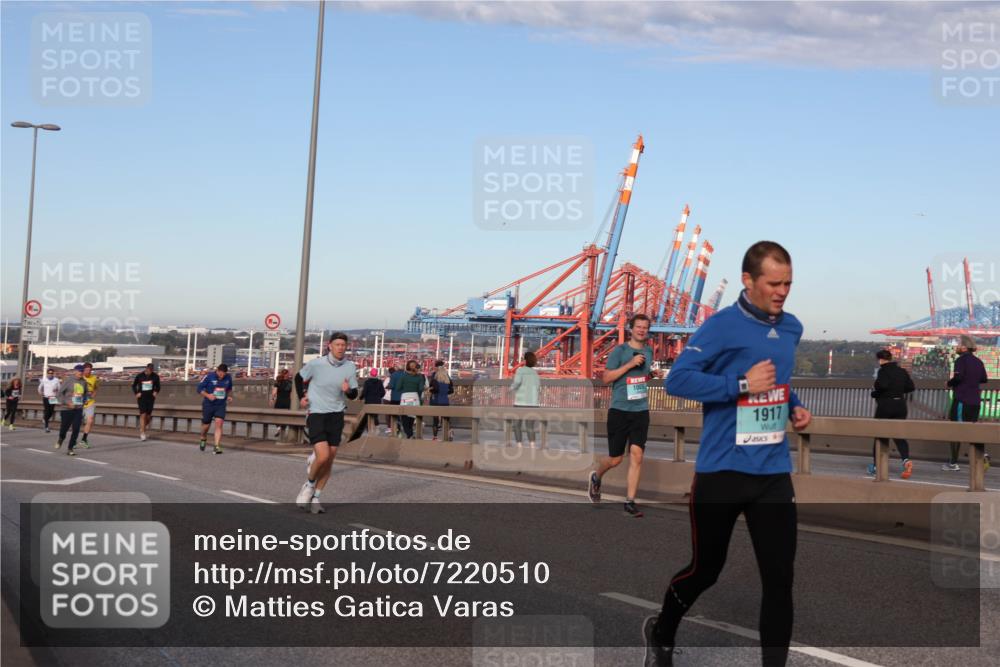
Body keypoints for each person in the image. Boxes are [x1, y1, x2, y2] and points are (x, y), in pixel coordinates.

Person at [644, 241, 812, 667]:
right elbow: (677, 381)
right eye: (774, 283)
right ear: (748, 280)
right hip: (722, 471)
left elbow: (777, 380)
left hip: (773, 472)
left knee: (780, 581)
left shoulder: (792, 327)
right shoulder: (720, 326)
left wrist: (792, 407)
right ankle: (661, 630)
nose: (782, 291)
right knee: (706, 570)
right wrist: (740, 385)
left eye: (788, 283)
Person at [588, 313, 659, 518]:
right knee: (615, 459)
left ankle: (630, 502)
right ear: (631, 328)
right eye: (638, 327)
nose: (642, 330)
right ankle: (597, 477)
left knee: (637, 456)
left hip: (640, 410)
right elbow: (607, 377)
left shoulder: (648, 351)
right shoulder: (619, 351)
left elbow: (641, 377)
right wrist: (629, 364)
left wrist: (650, 376)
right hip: (619, 410)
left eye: (645, 328)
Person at [294, 333, 359, 514]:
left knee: (329, 460)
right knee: (322, 456)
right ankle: (309, 485)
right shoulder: (316, 364)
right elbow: (298, 378)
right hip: (316, 412)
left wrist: (348, 391)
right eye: (337, 344)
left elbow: (354, 394)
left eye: (343, 345)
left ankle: (316, 497)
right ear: (330, 346)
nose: (340, 347)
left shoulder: (350, 367)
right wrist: (302, 397)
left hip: (336, 414)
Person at [867, 349, 916, 478]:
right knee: (899, 435)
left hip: (886, 406)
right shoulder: (902, 371)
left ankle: (877, 466)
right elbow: (911, 387)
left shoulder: (883, 371)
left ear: (880, 360)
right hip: (900, 405)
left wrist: (875, 393)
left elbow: (882, 386)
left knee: (880, 436)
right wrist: (898, 390)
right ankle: (906, 460)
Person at [943, 335, 989, 471]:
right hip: (975, 401)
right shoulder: (978, 361)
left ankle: (953, 463)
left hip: (962, 399)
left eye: (957, 344)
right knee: (972, 430)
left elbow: (958, 377)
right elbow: (984, 379)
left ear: (964, 347)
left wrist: (949, 383)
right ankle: (982, 455)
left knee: (955, 431)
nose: (956, 346)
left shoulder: (961, 360)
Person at [197, 364, 233, 454]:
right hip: (209, 404)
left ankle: (217, 446)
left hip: (220, 404)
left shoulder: (228, 378)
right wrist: (208, 395)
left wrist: (228, 396)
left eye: (224, 374)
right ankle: (203, 437)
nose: (222, 375)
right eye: (220, 373)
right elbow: (199, 389)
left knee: (219, 423)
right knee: (206, 425)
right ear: (217, 371)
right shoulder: (209, 376)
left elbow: (229, 389)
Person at [55, 364, 90, 456]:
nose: (81, 373)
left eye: (82, 371)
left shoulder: (84, 382)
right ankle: (61, 438)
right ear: (75, 371)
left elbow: (86, 393)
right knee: (64, 429)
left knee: (76, 429)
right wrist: (67, 403)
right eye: (79, 371)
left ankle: (70, 448)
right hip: (66, 409)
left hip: (78, 409)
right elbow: (59, 394)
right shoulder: (68, 380)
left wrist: (85, 400)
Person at [511, 351, 540, 446]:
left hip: (520, 403)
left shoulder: (520, 370)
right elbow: (538, 387)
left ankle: (519, 445)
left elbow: (517, 382)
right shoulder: (535, 373)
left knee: (516, 425)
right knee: (530, 426)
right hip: (533, 403)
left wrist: (511, 389)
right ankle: (532, 446)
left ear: (524, 360)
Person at [131, 363, 161, 442]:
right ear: (146, 369)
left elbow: (158, 386)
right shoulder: (140, 376)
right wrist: (136, 393)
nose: (150, 372)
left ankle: (142, 427)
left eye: (151, 370)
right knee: (143, 414)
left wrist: (156, 392)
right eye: (148, 370)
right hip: (142, 398)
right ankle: (143, 433)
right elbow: (134, 385)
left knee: (148, 417)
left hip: (150, 398)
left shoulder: (155, 376)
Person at [397, 360, 426, 439]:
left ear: (407, 367)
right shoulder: (419, 376)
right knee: (412, 417)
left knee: (404, 417)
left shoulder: (403, 376)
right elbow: (421, 389)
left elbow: (398, 387)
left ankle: (409, 434)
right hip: (415, 397)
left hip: (405, 397)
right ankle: (410, 434)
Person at [429, 360, 453, 440]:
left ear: (436, 367)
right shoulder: (447, 377)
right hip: (445, 400)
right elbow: (451, 390)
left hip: (436, 400)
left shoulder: (434, 376)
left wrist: (431, 390)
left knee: (435, 420)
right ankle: (449, 432)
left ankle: (435, 437)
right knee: (446, 418)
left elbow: (433, 389)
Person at [79, 362, 100, 448]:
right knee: (76, 423)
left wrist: (93, 394)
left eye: (90, 370)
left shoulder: (94, 378)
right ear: (83, 370)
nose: (88, 372)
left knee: (90, 420)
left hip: (90, 402)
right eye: (87, 370)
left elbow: (96, 388)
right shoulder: (79, 377)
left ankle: (84, 440)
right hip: (79, 403)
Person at [360, 368, 386, 434]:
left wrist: (361, 398)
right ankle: (377, 428)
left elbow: (364, 392)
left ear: (370, 374)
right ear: (376, 374)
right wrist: (379, 397)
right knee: (375, 415)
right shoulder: (380, 382)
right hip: (377, 401)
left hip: (368, 401)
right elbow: (383, 392)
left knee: (368, 415)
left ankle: (369, 429)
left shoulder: (367, 382)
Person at [270, 368, 293, 440]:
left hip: (279, 401)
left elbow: (274, 393)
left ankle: (278, 428)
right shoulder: (290, 383)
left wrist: (272, 399)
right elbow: (291, 394)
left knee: (276, 415)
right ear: (287, 374)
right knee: (286, 416)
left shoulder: (278, 382)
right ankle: (284, 430)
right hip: (287, 402)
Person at [38, 367, 61, 433]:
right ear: (47, 374)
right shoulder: (44, 380)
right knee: (47, 411)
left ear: (53, 374)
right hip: (46, 397)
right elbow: (40, 387)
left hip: (53, 398)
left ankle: (44, 418)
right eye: (49, 373)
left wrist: (57, 390)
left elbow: (60, 389)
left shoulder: (56, 380)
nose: (50, 374)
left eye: (52, 373)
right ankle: (46, 427)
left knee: (51, 411)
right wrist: (40, 393)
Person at [388, 365, 405, 437]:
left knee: (394, 414)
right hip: (404, 397)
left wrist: (388, 386)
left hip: (395, 397)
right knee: (403, 414)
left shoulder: (394, 375)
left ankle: (397, 429)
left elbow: (391, 386)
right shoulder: (406, 375)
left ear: (397, 368)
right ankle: (403, 428)